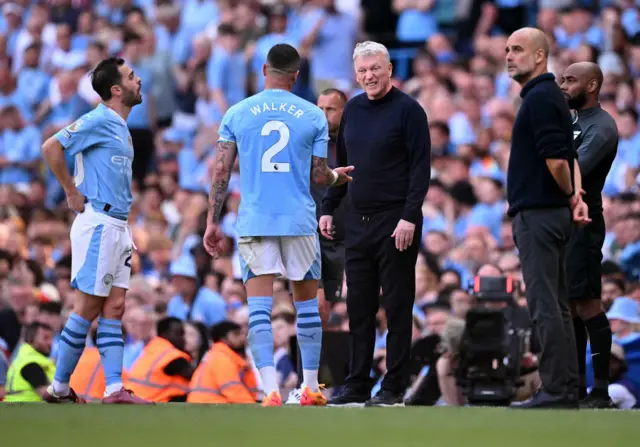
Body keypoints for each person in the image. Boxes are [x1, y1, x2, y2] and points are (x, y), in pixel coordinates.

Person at [202, 43, 354, 407]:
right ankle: (311, 388)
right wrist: (337, 178)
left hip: (256, 218)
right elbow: (319, 174)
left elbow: (221, 170)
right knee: (306, 307)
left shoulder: (237, 113)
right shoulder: (312, 115)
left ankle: (269, 389)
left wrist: (211, 220)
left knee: (259, 308)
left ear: (264, 70)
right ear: (296, 75)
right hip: (299, 219)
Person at [320, 41, 431, 407]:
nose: (369, 76)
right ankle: (357, 383)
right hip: (358, 221)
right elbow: (344, 165)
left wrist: (409, 217)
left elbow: (420, 170)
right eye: (363, 70)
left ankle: (394, 386)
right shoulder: (352, 108)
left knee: (398, 307)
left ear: (388, 70)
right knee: (359, 308)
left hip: (395, 221)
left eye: (375, 69)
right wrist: (329, 205)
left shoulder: (409, 111)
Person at [40, 57, 149, 404]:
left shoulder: (120, 126)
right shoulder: (99, 119)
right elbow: (51, 147)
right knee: (86, 308)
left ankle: (115, 388)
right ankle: (57, 388)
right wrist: (71, 190)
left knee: (114, 308)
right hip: (99, 222)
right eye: (132, 77)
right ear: (116, 89)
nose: (139, 80)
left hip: (118, 224)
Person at [504, 28, 588, 409]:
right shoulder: (547, 96)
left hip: (538, 214)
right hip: (550, 213)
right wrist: (575, 198)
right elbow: (569, 156)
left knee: (544, 306)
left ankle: (555, 390)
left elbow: (557, 159)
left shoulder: (539, 98)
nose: (509, 56)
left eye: (518, 49)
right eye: (506, 49)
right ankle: (568, 388)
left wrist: (571, 194)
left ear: (540, 56)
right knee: (557, 305)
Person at [560, 61, 619, 409]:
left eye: (570, 80)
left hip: (584, 221)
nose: (564, 86)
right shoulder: (570, 121)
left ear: (592, 84)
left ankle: (601, 390)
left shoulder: (602, 126)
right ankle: (577, 388)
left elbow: (575, 167)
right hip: (561, 223)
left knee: (587, 303)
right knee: (569, 305)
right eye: (562, 79)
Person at [286, 87, 349, 405]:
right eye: (320, 108)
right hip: (307, 233)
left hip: (342, 236)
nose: (324, 115)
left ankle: (316, 380)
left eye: (331, 110)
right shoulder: (305, 145)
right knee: (315, 307)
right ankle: (305, 381)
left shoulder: (352, 146)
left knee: (327, 313)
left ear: (344, 111)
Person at [187, 320, 258, 404]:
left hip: (206, 407)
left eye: (242, 334)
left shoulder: (219, 356)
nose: (242, 338)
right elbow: (233, 391)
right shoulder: (221, 359)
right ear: (223, 339)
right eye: (236, 334)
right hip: (210, 408)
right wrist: (255, 409)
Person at [125, 317, 193, 402]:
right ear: (165, 334)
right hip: (151, 404)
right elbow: (195, 378)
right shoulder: (172, 356)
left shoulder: (153, 348)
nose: (183, 339)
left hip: (132, 400)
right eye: (179, 334)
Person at [3, 323, 55, 402]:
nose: (50, 343)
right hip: (28, 411)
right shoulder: (30, 363)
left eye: (51, 338)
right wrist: (69, 395)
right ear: (31, 339)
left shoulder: (21, 359)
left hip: (16, 410)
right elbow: (46, 393)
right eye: (45, 338)